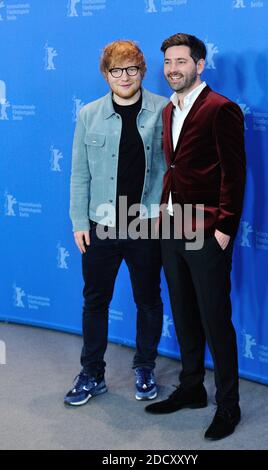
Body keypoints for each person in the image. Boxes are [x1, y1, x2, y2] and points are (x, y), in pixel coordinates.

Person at [145, 33, 246, 441]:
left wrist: (224, 229)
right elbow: (173, 170)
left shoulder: (222, 109)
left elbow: (234, 174)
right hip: (171, 227)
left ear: (199, 65)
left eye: (181, 61)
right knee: (184, 313)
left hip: (207, 231)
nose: (173, 68)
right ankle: (191, 390)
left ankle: (229, 406)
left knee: (215, 319)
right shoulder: (169, 110)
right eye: (168, 61)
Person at [65, 40, 168, 406]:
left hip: (146, 225)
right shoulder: (89, 114)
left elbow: (173, 169)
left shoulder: (163, 110)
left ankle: (144, 367)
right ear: (105, 74)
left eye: (131, 69)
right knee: (95, 301)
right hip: (101, 225)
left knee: (148, 300)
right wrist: (80, 220)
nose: (124, 77)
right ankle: (92, 373)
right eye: (116, 70)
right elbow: (80, 174)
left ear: (142, 71)